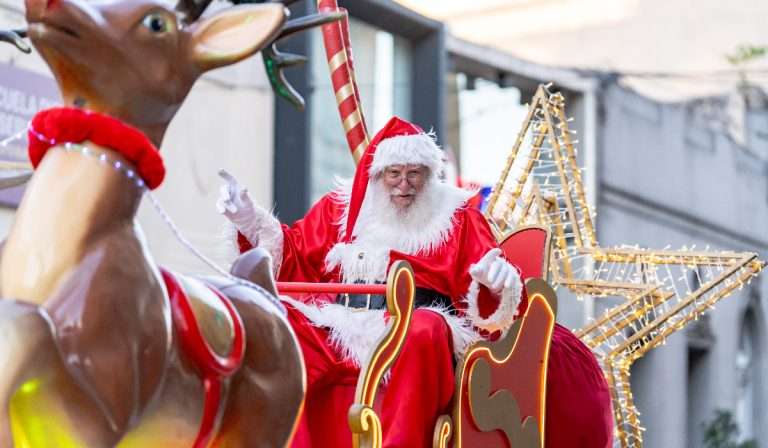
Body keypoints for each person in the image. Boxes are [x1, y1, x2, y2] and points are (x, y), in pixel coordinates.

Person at [218, 116, 523, 447]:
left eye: (413, 174)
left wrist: (498, 282)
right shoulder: (343, 208)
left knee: (425, 329)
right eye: (394, 174)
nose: (403, 185)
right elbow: (295, 254)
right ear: (379, 175)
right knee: (280, 327)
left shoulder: (458, 215)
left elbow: (487, 273)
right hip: (342, 325)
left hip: (413, 326)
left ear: (429, 175)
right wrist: (250, 220)